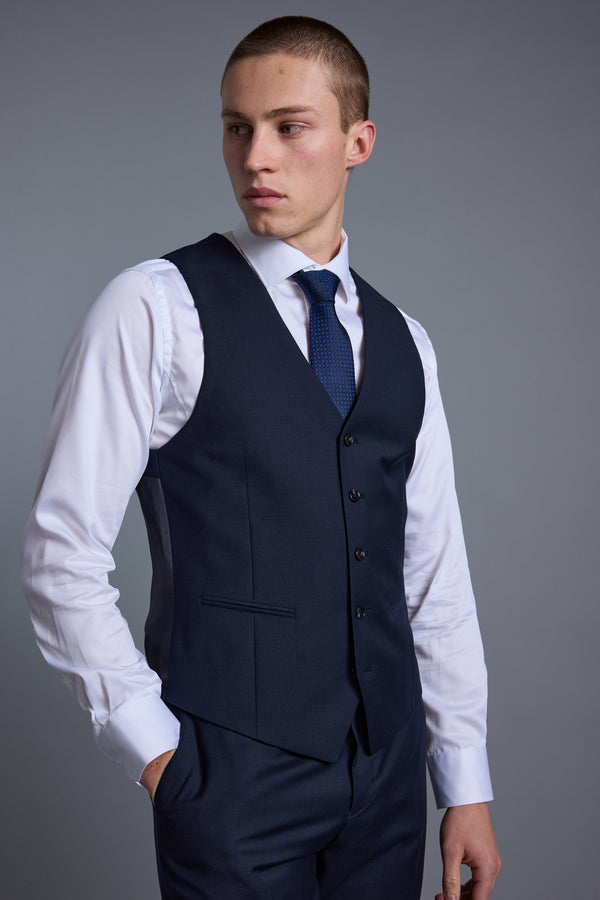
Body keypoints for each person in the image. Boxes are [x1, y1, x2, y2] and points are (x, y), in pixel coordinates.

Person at [21, 15, 501, 900]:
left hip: (389, 780)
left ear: (358, 142)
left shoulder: (407, 342)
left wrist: (463, 781)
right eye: (237, 128)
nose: (256, 158)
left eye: (289, 127)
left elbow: (433, 577)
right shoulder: (154, 308)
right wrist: (156, 752)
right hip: (229, 781)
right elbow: (61, 552)